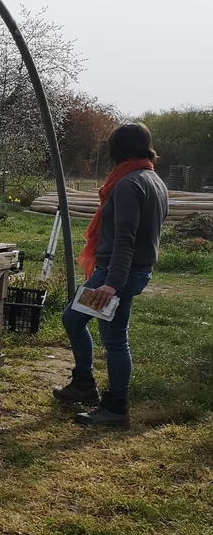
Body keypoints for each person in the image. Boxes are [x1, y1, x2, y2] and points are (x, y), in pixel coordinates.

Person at [53, 122, 168, 428]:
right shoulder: (154, 180)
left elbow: (125, 239)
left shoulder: (129, 184)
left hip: (117, 273)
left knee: (114, 339)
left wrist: (111, 284)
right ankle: (84, 385)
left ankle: (116, 407)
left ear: (118, 150)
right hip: (132, 271)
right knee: (73, 319)